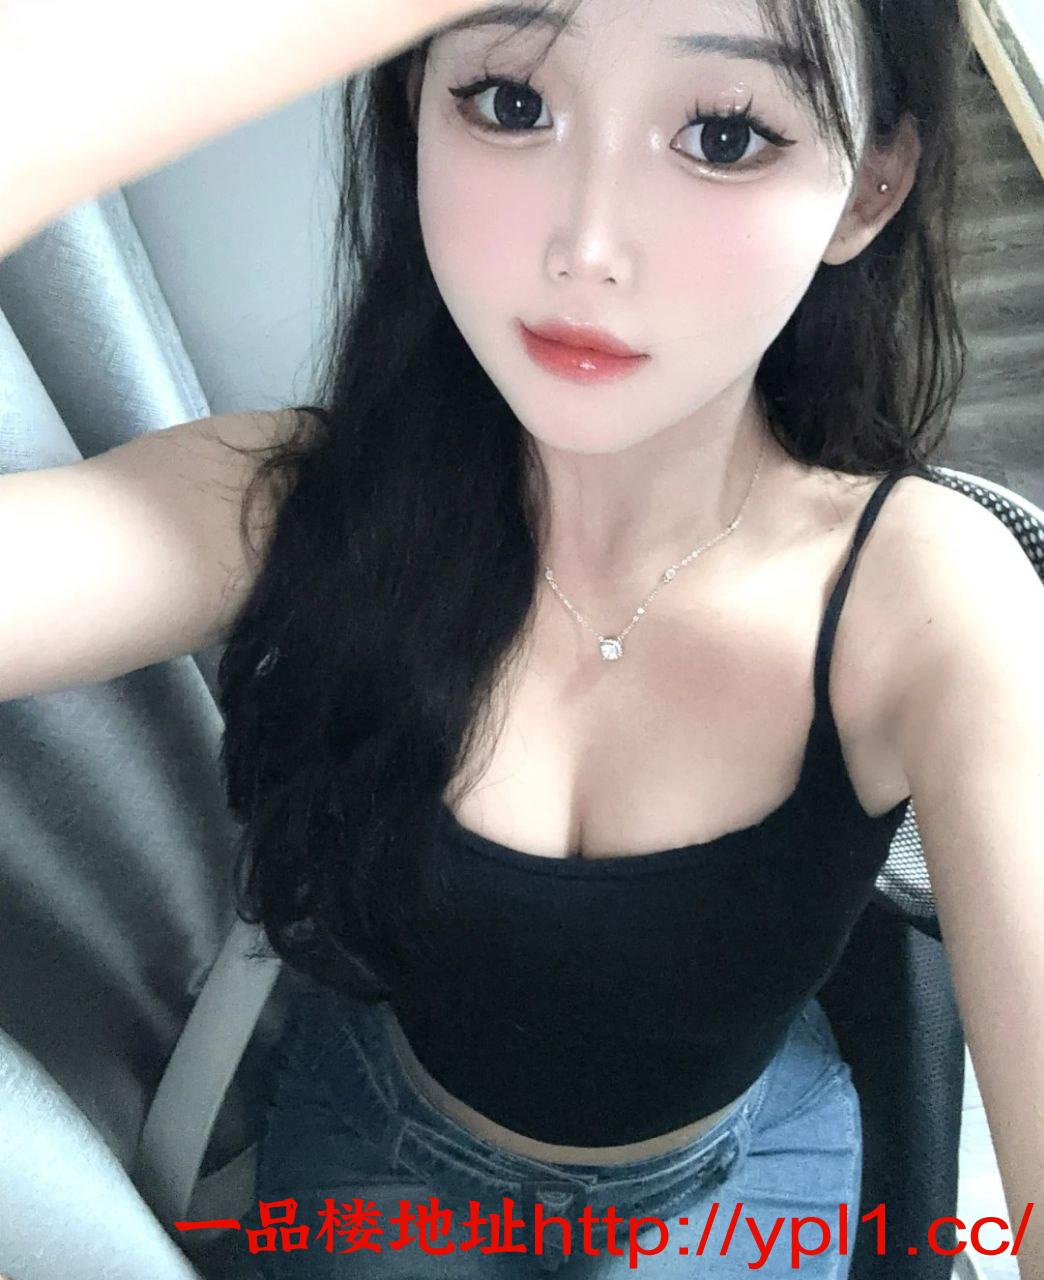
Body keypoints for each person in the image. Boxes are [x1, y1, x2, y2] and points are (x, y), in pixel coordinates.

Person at [1, 0, 1041, 1276]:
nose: (586, 246)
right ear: (413, 104)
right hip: (382, 1156)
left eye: (724, 134)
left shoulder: (931, 601)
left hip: (739, 1180)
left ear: (870, 186)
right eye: (510, 101)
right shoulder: (291, 504)